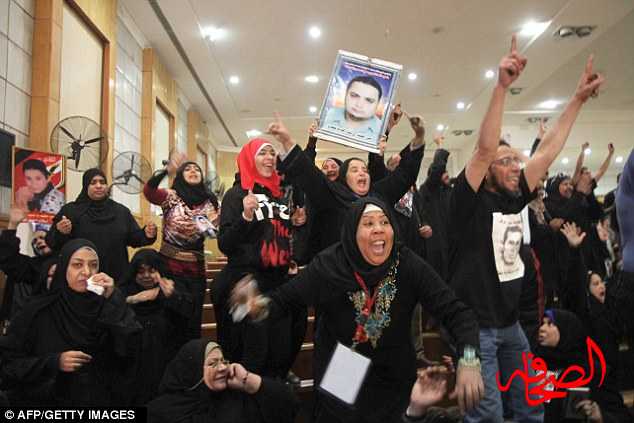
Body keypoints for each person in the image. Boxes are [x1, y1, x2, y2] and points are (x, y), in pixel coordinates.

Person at [446, 35, 604, 422]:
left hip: (511, 327)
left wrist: (577, 100)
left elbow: (547, 151)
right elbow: (484, 150)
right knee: (487, 415)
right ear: (486, 173)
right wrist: (502, 87)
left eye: (515, 161)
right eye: (505, 162)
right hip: (474, 332)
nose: (515, 166)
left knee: (532, 409)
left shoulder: (514, 197)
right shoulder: (467, 202)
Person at [232, 198, 483, 423]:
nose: (378, 228)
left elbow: (457, 313)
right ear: (352, 231)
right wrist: (253, 306)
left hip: (393, 375)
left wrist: (469, 360)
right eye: (368, 223)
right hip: (342, 374)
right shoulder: (329, 265)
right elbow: (283, 301)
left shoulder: (406, 263)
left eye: (385, 222)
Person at [0, 239, 140, 406]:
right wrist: (53, 362)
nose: (86, 272)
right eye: (77, 265)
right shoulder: (38, 311)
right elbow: (9, 365)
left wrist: (113, 298)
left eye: (93, 265)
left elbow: (131, 351)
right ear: (64, 268)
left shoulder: (107, 307)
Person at [212, 138, 306, 379]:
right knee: (251, 359)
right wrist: (245, 216)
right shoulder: (236, 194)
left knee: (280, 351)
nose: (269, 158)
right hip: (247, 284)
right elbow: (225, 244)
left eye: (272, 153)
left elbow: (278, 236)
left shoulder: (279, 196)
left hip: (278, 283)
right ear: (249, 159)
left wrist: (295, 226)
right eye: (262, 153)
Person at [274, 108, 424, 255]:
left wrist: (419, 136)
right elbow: (309, 174)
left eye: (364, 170)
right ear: (344, 177)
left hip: (381, 265)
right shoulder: (333, 197)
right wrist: (287, 141)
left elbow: (405, 175)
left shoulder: (379, 194)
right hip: (342, 268)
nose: (362, 173)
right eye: (354, 170)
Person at [143, 156, 219, 345]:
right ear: (180, 175)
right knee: (168, 323)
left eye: (197, 169)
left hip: (196, 272)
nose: (193, 171)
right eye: (188, 169)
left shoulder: (210, 202)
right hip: (168, 269)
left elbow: (215, 232)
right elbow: (149, 192)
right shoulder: (171, 196)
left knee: (192, 324)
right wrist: (165, 171)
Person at [146, 339, 298, 423]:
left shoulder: (237, 398)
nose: (222, 368)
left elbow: (290, 404)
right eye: (212, 363)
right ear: (191, 371)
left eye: (224, 361)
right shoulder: (161, 410)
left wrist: (249, 381)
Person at [47, 168, 157, 282]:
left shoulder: (120, 211)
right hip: (82, 278)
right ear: (85, 186)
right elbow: (51, 242)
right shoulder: (71, 211)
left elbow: (134, 238)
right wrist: (60, 232)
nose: (99, 186)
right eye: (93, 182)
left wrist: (146, 234)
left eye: (102, 182)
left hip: (117, 278)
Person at [116, 248, 193, 405]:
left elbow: (187, 317)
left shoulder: (171, 290)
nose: (146, 276)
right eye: (140, 271)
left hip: (164, 367)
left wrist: (173, 296)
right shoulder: (123, 292)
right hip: (133, 370)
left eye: (151, 271)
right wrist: (132, 300)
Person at [531, 310, 632, 422]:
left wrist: (601, 416)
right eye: (542, 323)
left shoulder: (593, 373)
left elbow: (623, 417)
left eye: (550, 324)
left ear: (567, 330)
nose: (542, 328)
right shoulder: (534, 366)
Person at [0, 208, 54, 323]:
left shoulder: (67, 262)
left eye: (42, 238)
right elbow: (8, 259)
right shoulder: (33, 265)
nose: (38, 242)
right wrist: (13, 225)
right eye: (34, 241)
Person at [322, 75, 383, 139]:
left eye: (369, 100)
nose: (359, 105)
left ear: (377, 104)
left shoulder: (381, 130)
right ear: (345, 95)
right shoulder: (326, 115)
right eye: (354, 95)